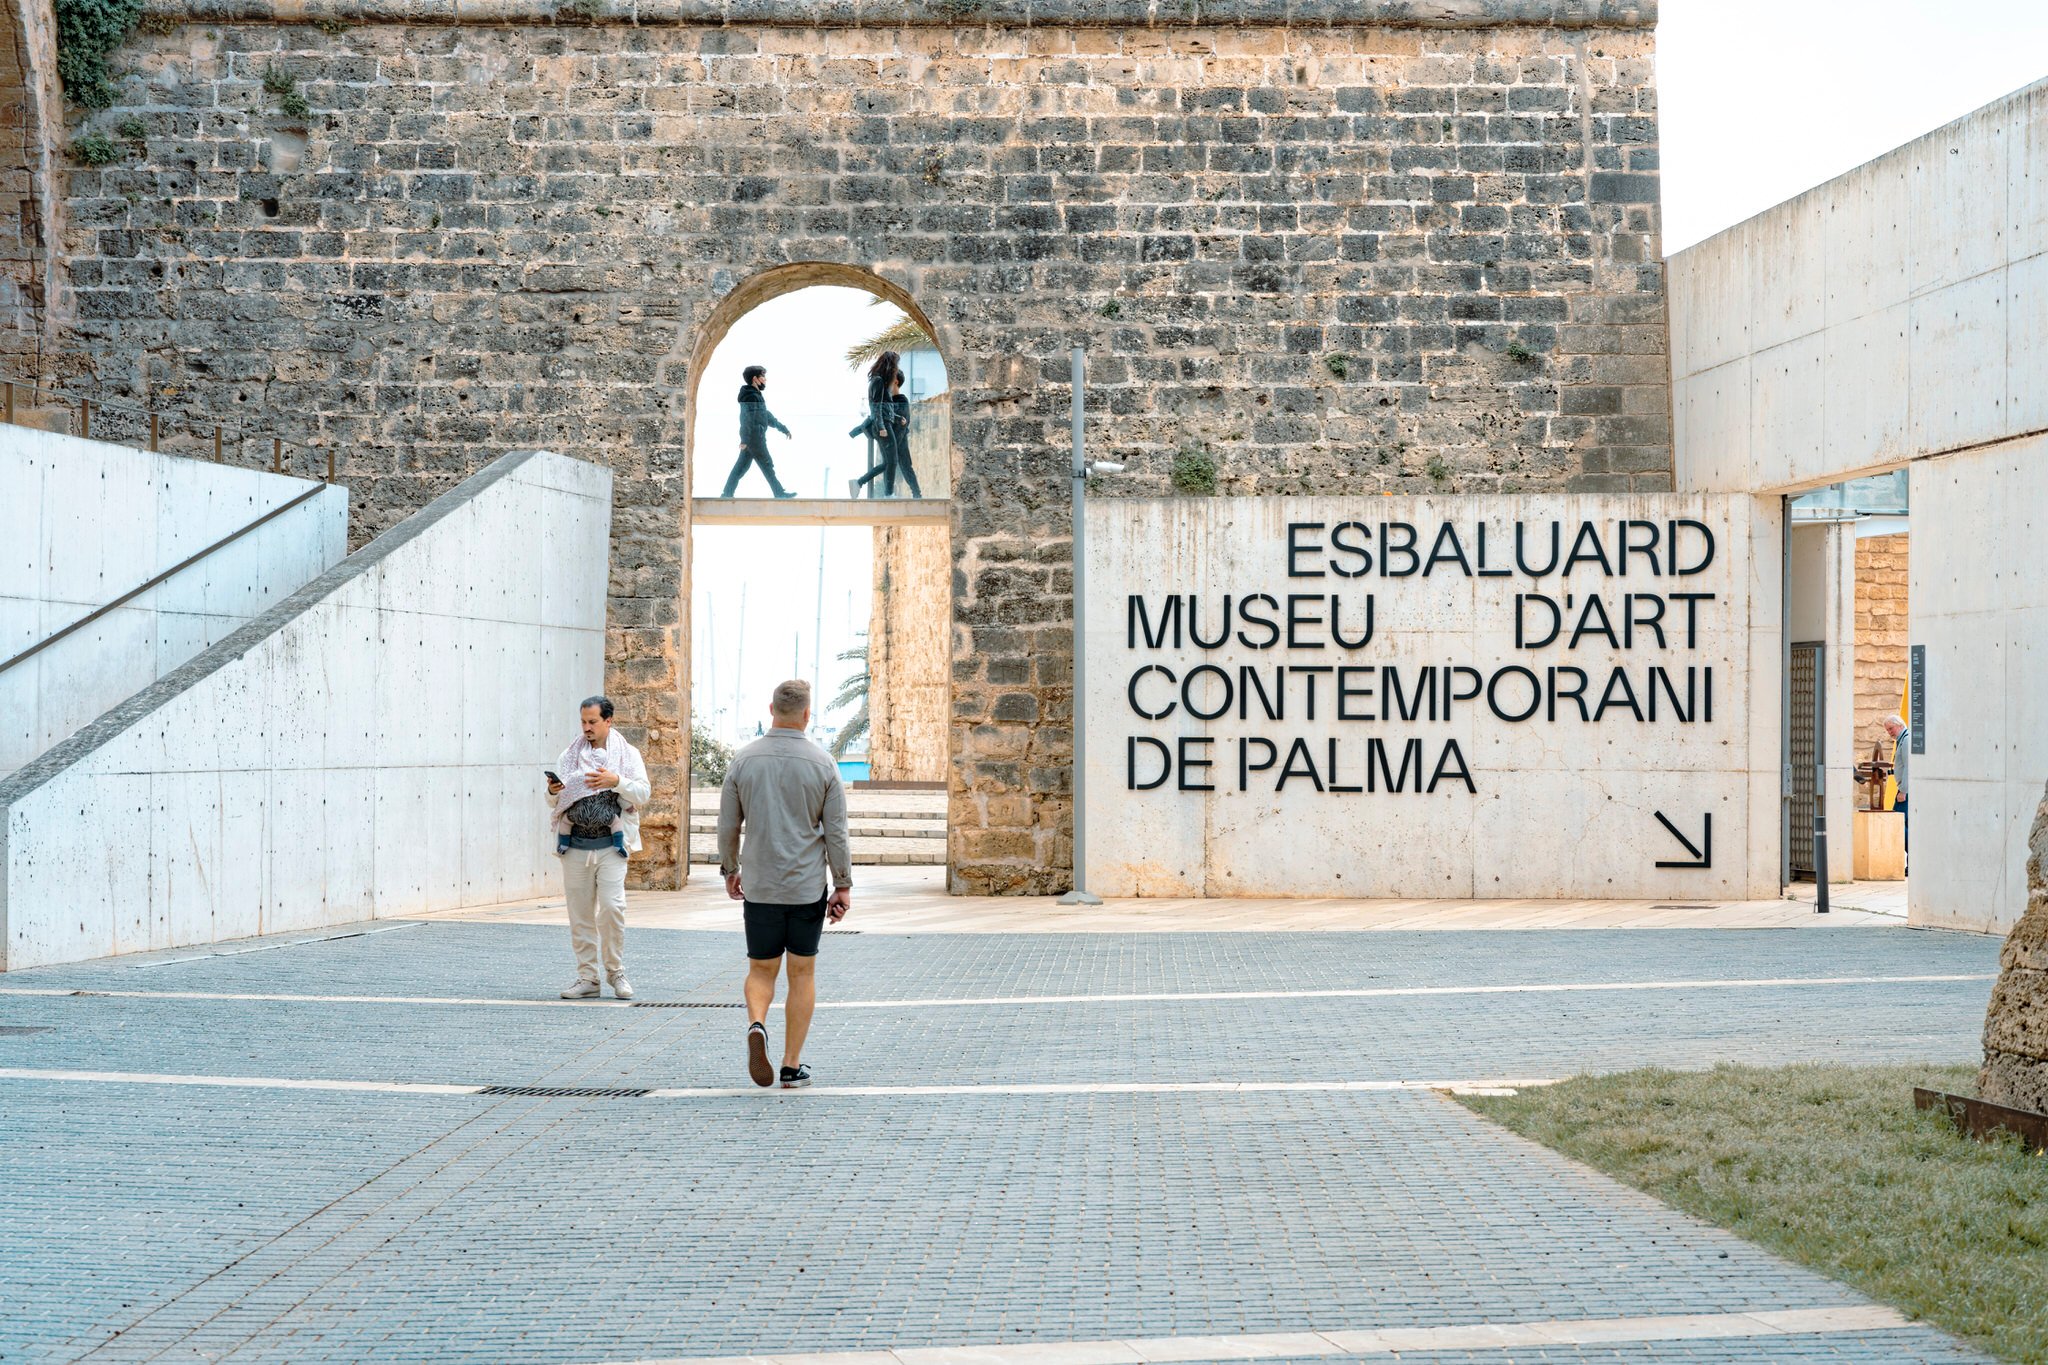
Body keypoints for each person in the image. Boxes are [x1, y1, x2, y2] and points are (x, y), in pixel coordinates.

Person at [716, 679, 852, 1088]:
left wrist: (730, 869)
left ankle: (757, 1024)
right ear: (807, 715)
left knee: (760, 969)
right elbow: (837, 832)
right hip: (806, 886)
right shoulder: (823, 763)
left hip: (760, 884)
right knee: (802, 973)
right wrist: (842, 884)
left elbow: (727, 825)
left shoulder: (743, 761)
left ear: (771, 709)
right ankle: (792, 1066)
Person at [546, 695, 651, 1000]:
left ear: (608, 721)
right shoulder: (569, 756)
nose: (587, 727)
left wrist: (615, 780)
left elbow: (643, 792)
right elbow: (554, 801)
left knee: (612, 908)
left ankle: (616, 972)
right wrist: (553, 791)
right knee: (579, 913)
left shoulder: (627, 755)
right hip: (575, 845)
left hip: (612, 846)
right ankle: (588, 978)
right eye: (583, 722)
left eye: (592, 722)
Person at [848, 351, 921, 499]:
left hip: (899, 439)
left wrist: (896, 423)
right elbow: (877, 411)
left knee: (900, 465)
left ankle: (915, 495)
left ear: (896, 381)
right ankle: (883, 491)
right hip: (890, 436)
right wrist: (866, 429)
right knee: (891, 463)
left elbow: (884, 413)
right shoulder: (881, 386)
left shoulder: (901, 400)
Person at [721, 364, 797, 499]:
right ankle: (779, 493)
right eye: (763, 377)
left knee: (741, 468)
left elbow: (765, 416)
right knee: (767, 465)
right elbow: (746, 418)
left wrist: (783, 429)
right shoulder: (750, 396)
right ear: (755, 379)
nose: (765, 380)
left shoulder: (756, 396)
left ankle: (727, 494)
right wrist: (744, 439)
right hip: (755, 438)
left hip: (755, 437)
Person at [1883, 714, 1910, 852]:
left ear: (1899, 725)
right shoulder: (1902, 740)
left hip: (1905, 791)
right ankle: (1912, 861)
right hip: (1904, 789)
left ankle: (1913, 858)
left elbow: (1909, 767)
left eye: (1891, 728)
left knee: (1897, 823)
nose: (1890, 733)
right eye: (1888, 730)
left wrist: (1903, 791)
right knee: (1902, 823)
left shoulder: (1906, 740)